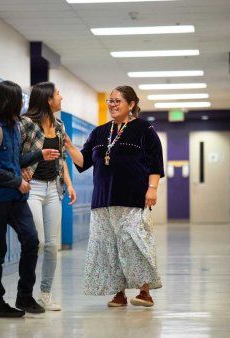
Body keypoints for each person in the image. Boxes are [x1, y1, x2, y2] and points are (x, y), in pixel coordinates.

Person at [63, 85, 164, 307]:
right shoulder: (99, 132)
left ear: (131, 105)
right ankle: (118, 293)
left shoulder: (144, 130)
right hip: (103, 200)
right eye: (110, 101)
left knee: (135, 242)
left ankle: (144, 291)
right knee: (108, 246)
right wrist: (69, 145)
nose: (112, 105)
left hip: (133, 198)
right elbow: (83, 161)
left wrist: (152, 188)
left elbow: (155, 162)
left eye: (117, 101)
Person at [0, 80, 60, 317]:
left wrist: (37, 155)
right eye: (19, 99)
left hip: (16, 197)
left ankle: (24, 297)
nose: (23, 103)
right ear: (8, 101)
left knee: (32, 241)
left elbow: (14, 163)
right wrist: (16, 181)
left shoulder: (13, 127)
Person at [19, 82, 77, 311]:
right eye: (58, 94)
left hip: (54, 188)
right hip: (32, 187)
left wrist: (69, 185)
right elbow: (15, 154)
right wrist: (19, 177)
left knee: (53, 246)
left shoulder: (59, 126)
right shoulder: (26, 124)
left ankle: (44, 294)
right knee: (38, 242)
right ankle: (25, 294)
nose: (61, 97)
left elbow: (62, 158)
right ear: (47, 100)